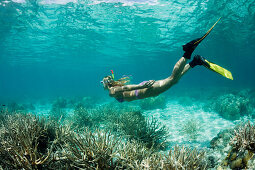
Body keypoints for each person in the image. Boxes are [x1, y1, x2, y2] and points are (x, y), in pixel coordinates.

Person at [101, 19, 232, 103]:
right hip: (146, 90)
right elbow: (125, 88)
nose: (101, 84)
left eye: (102, 82)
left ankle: (188, 52)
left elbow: (126, 87)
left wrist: (142, 86)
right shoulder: (113, 89)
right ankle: (195, 62)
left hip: (146, 90)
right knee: (174, 80)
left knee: (172, 79)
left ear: (107, 84)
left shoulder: (112, 92)